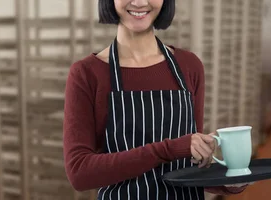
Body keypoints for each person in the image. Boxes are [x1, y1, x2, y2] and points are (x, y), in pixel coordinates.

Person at [62, 0, 250, 199]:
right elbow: (79, 173)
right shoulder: (87, 74)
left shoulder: (189, 66)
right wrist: (169, 149)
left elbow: (191, 165)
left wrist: (232, 181)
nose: (140, 2)